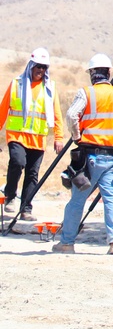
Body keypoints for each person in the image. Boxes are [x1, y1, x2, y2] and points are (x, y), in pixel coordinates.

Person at [52, 53, 113, 255]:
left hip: (90, 157)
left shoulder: (87, 93)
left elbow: (72, 114)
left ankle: (67, 242)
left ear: (92, 74)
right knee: (110, 198)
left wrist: (76, 135)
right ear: (108, 73)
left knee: (77, 200)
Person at [1, 48, 65, 221]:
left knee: (32, 175)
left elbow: (57, 114)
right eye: (38, 66)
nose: (40, 70)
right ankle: (10, 195)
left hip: (37, 139)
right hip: (17, 135)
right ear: (31, 65)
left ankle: (26, 209)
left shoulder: (50, 88)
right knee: (17, 162)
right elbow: (3, 109)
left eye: (44, 67)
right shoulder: (17, 84)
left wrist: (58, 137)